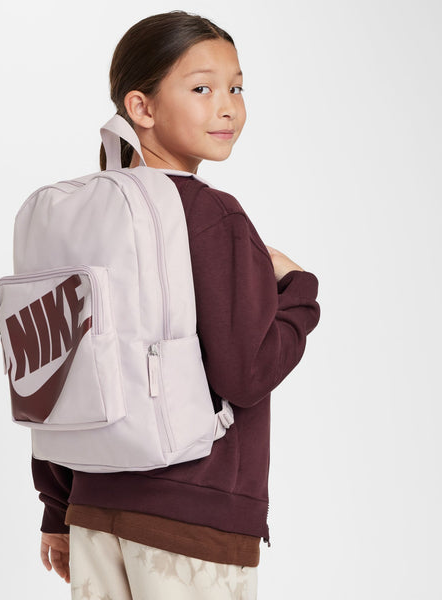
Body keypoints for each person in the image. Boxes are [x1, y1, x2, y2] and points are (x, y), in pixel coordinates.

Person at [32, 10, 321, 600]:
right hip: (194, 521)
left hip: (93, 511)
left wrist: (57, 508)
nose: (227, 107)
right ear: (141, 107)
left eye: (237, 88)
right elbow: (245, 374)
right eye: (202, 89)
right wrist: (299, 293)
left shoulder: (80, 216)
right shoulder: (211, 214)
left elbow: (57, 373)